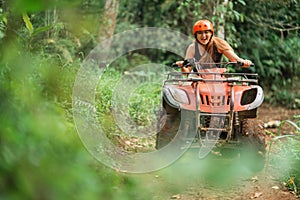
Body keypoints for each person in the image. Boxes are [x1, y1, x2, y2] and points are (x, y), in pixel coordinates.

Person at [177, 19, 252, 71]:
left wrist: (245, 62)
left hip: (216, 78)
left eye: (206, 32)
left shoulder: (218, 44)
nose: (203, 36)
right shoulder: (192, 48)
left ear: (211, 33)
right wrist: (182, 66)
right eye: (200, 33)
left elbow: (235, 60)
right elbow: (186, 71)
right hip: (197, 79)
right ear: (195, 35)